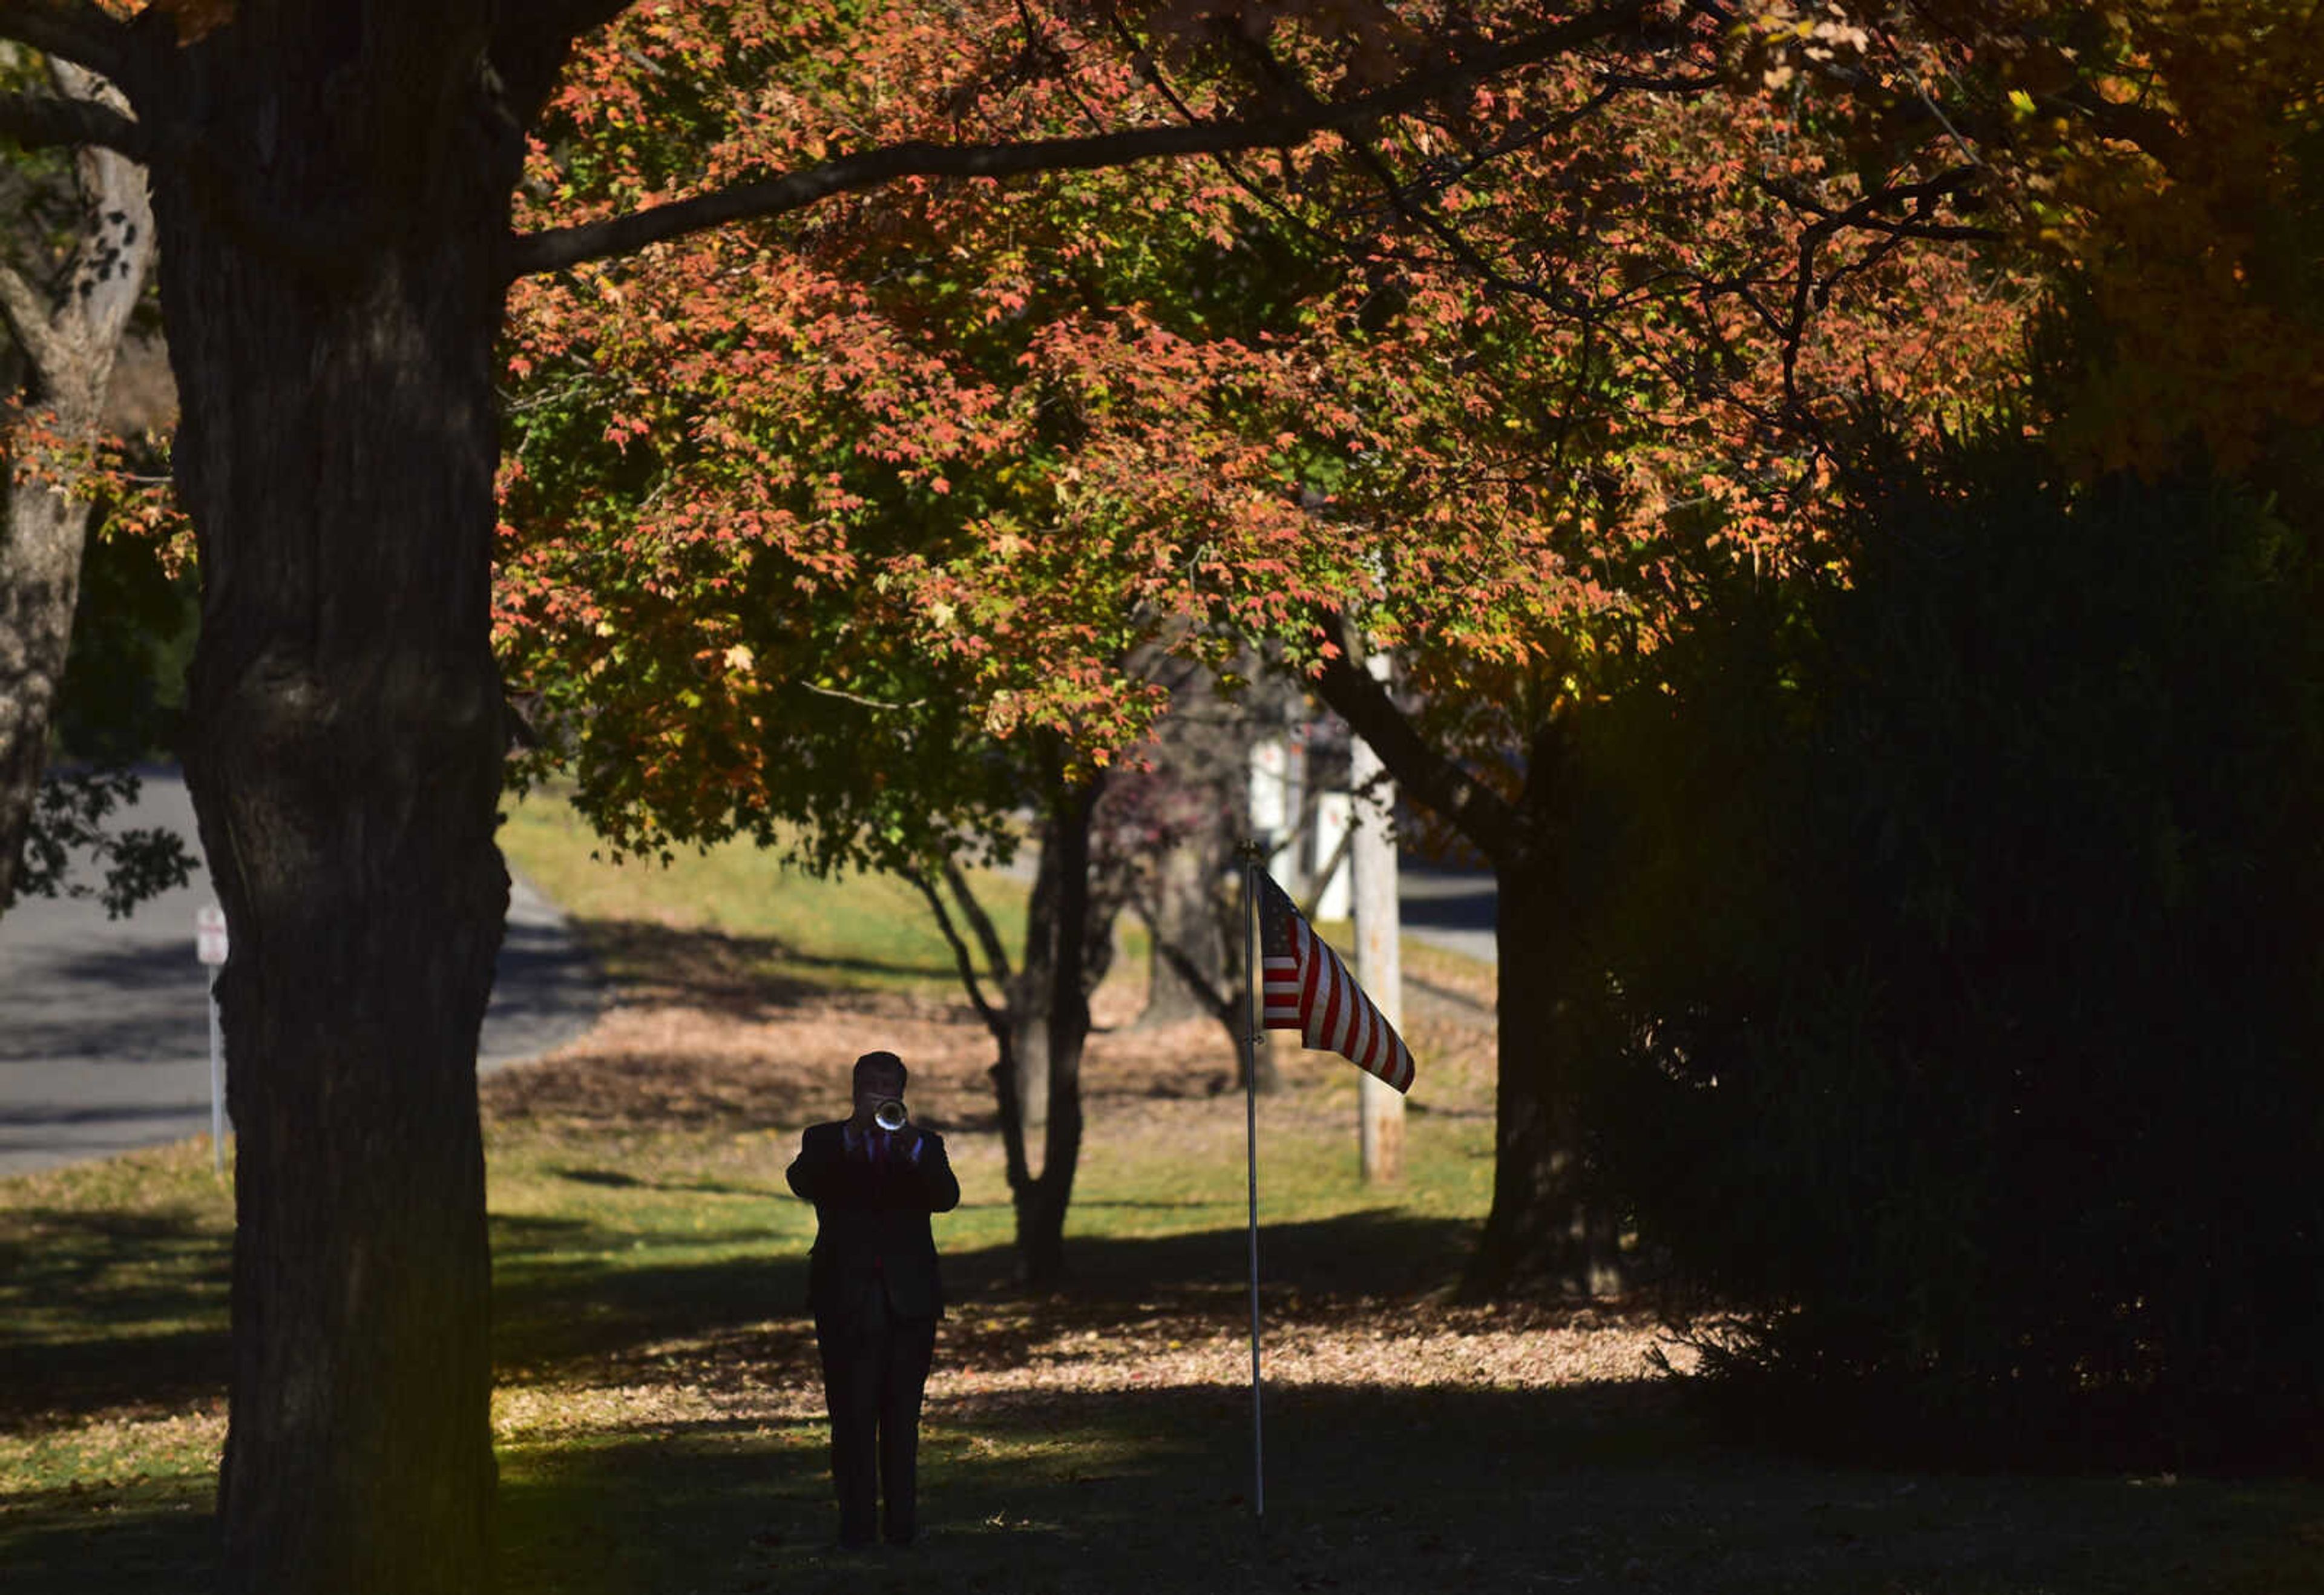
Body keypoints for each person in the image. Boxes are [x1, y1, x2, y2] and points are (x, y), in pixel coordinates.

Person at [785, 1050, 960, 1549]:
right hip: (846, 1298)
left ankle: (902, 1528)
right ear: (854, 1089)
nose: (880, 1092)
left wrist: (911, 1147)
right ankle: (856, 1529)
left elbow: (946, 1197)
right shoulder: (824, 1140)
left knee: (904, 1417)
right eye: (871, 1083)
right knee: (852, 1417)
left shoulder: (925, 1144)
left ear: (903, 1093)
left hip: (910, 1300)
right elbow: (802, 1181)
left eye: (889, 1084)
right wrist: (853, 1134)